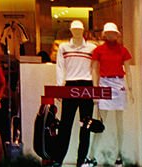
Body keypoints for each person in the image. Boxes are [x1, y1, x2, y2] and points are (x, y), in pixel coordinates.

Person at [51, 20, 98, 167]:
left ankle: (81, 160)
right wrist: (60, 86)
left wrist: (95, 90)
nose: (77, 32)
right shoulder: (64, 47)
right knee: (66, 125)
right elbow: (60, 67)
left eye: (79, 30)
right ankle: (58, 159)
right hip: (70, 85)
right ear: (71, 31)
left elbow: (95, 69)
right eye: (74, 30)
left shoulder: (91, 48)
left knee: (86, 126)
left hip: (86, 85)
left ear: (83, 30)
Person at [88, 22, 132, 166]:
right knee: (100, 122)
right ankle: (91, 155)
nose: (111, 35)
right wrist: (95, 90)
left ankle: (119, 155)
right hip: (104, 84)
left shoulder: (122, 50)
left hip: (119, 84)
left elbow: (128, 70)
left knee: (120, 124)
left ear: (117, 34)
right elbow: (94, 70)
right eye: (108, 33)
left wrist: (130, 90)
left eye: (113, 33)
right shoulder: (99, 50)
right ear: (105, 34)